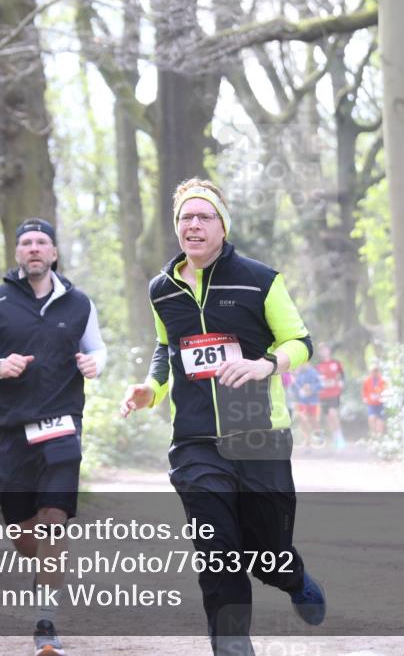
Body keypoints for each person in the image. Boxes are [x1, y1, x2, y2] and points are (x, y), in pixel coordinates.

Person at [119, 178, 325, 655]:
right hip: (195, 442)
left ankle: (292, 577)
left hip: (259, 434)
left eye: (203, 216)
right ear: (177, 228)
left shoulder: (260, 279)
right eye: (185, 218)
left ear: (221, 225)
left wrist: (264, 363)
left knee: (267, 552)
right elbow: (165, 348)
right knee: (218, 554)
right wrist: (150, 389)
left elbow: (301, 342)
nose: (193, 224)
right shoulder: (161, 290)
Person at [0, 218, 106, 656]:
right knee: (24, 532)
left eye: (42, 242)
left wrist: (97, 364)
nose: (34, 248)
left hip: (61, 426)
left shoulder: (78, 303)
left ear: (54, 252)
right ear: (17, 253)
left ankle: (46, 626)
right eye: (26, 243)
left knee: (53, 522)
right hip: (8, 430)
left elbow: (97, 347)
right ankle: (45, 569)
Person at [315, 343, 345, 451]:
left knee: (333, 413)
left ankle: (340, 437)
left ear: (329, 350)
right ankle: (334, 437)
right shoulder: (318, 366)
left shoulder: (336, 363)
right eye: (321, 350)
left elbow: (342, 375)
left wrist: (341, 382)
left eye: (325, 349)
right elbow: (316, 381)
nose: (324, 351)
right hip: (323, 395)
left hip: (334, 393)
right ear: (319, 353)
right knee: (328, 417)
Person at [291, 363, 323, 449]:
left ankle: (319, 439)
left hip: (313, 401)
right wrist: (297, 389)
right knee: (303, 420)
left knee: (314, 420)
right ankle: (307, 441)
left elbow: (321, 385)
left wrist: (311, 388)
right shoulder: (297, 373)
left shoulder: (314, 372)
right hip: (301, 402)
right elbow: (294, 387)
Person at [362, 364, 387, 439]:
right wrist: (365, 398)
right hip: (371, 403)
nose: (374, 373)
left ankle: (380, 435)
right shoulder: (367, 381)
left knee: (380, 420)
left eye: (376, 371)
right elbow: (364, 391)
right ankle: (373, 434)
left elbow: (385, 390)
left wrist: (382, 395)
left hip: (380, 403)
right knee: (371, 418)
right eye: (373, 371)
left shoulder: (382, 381)